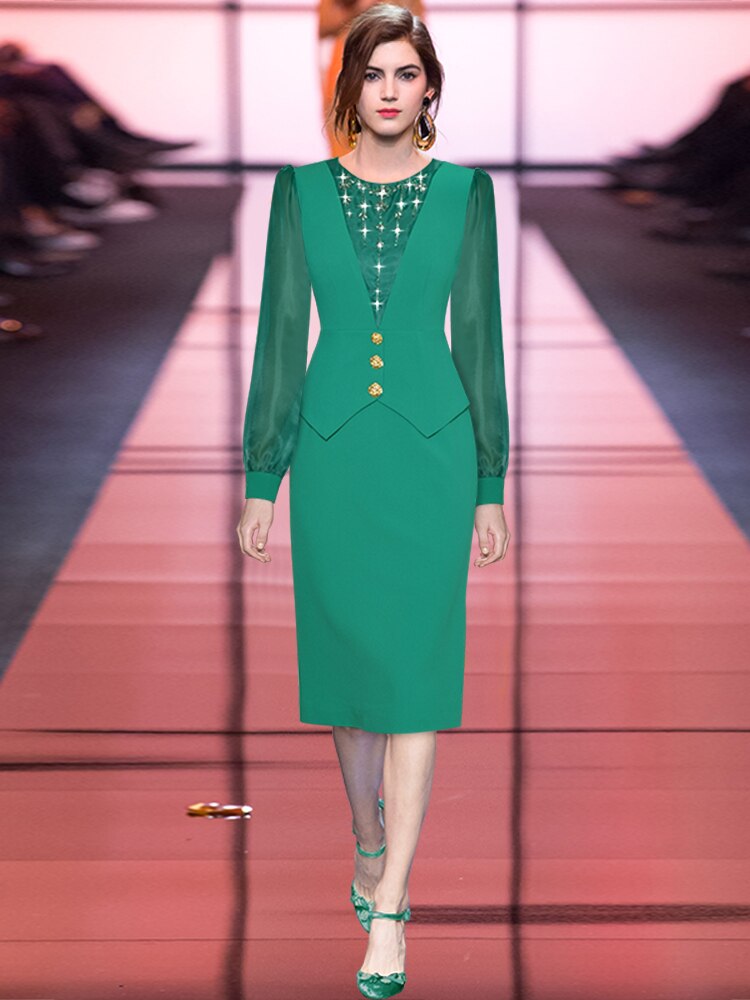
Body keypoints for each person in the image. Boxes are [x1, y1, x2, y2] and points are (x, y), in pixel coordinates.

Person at [237, 6, 510, 996]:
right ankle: (366, 834)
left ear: (429, 87)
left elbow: (479, 335)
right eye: (372, 73)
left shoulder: (468, 194)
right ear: (347, 87)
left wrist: (489, 483)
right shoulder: (300, 192)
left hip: (433, 456)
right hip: (335, 454)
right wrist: (262, 477)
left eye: (406, 73)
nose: (389, 90)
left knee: (418, 681)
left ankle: (392, 905)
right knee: (351, 687)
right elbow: (279, 334)